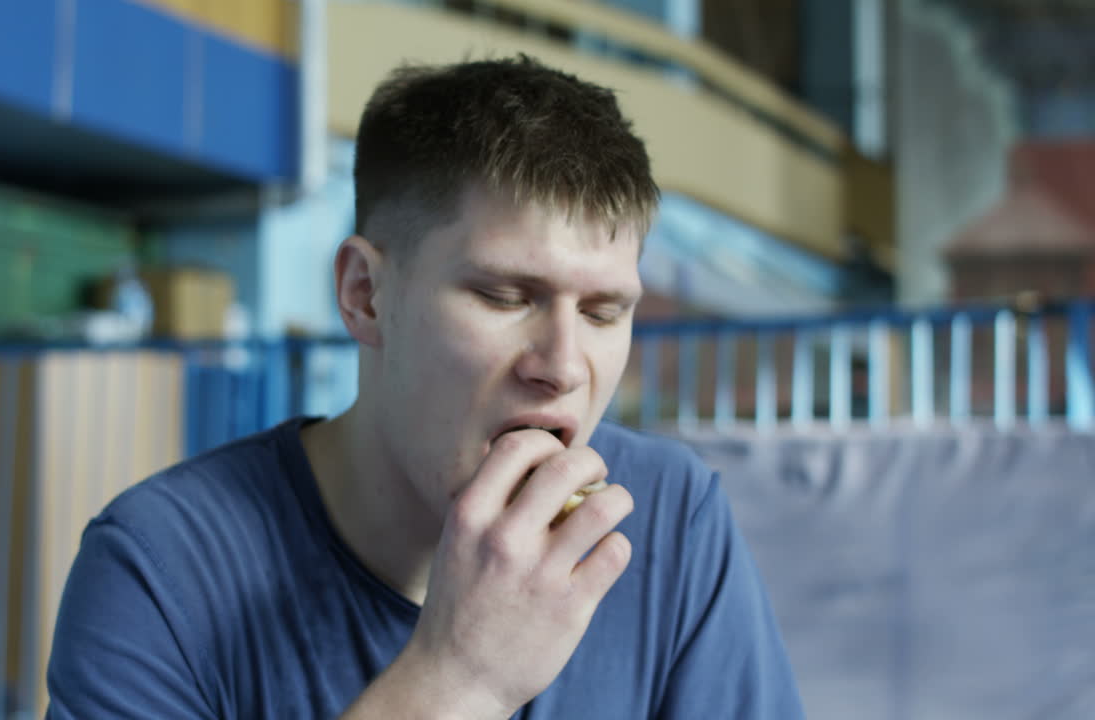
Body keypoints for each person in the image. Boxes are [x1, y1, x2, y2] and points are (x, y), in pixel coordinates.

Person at [46, 56, 804, 719]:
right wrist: (460, 680)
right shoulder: (161, 569)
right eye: (506, 297)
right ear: (367, 295)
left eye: (605, 311)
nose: (564, 365)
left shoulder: (671, 524)